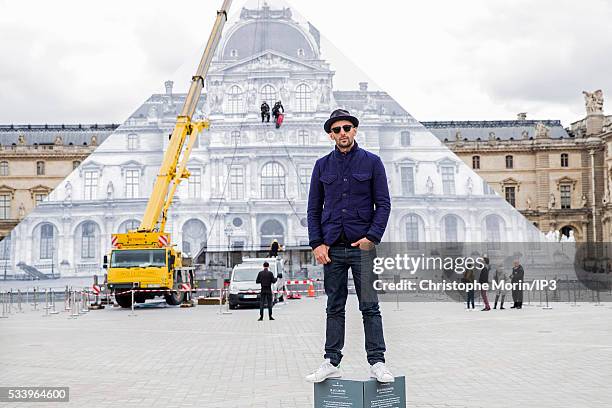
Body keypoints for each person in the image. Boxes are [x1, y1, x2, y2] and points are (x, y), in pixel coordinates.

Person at [305, 109, 393, 383]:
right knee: (334, 306)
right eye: (336, 129)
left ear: (354, 130)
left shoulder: (372, 162)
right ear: (330, 135)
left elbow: (384, 204)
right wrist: (317, 243)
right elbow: (313, 208)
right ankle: (331, 361)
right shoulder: (322, 166)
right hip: (332, 249)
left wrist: (372, 237)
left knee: (370, 306)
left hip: (362, 246)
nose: (342, 133)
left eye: (346, 128)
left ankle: (377, 362)